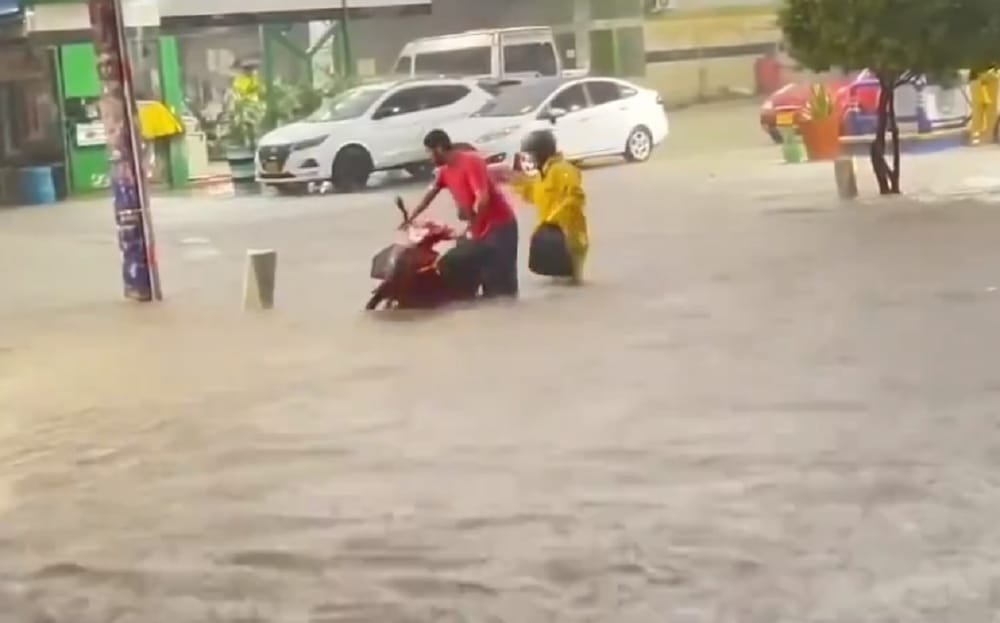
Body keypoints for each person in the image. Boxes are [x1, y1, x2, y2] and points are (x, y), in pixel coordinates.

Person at [407, 129, 519, 298]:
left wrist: (473, 227)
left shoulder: (471, 162)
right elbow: (428, 196)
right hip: (476, 228)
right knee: (460, 267)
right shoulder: (444, 171)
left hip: (499, 227)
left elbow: (482, 198)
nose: (429, 158)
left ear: (439, 148)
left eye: (429, 153)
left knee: (501, 287)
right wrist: (410, 218)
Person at [510, 130, 589, 284]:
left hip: (569, 237)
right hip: (552, 236)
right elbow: (534, 197)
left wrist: (553, 219)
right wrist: (517, 182)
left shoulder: (563, 170)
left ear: (541, 153)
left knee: (569, 284)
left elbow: (576, 197)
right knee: (558, 283)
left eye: (531, 155)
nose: (529, 160)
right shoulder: (542, 173)